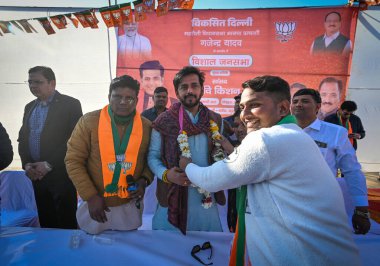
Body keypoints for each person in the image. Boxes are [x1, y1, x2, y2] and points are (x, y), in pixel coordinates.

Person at [179, 76, 360, 265]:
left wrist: (187, 166)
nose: (245, 114)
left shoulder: (268, 139)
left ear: (282, 108)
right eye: (242, 107)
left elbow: (210, 180)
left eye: (254, 105)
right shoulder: (294, 135)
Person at [65, 75, 153, 235]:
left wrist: (143, 180)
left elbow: (151, 160)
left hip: (129, 205)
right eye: (117, 96)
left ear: (137, 99)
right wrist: (90, 196)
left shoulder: (147, 126)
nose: (123, 102)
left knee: (126, 255)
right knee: (93, 254)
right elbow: (73, 160)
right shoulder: (89, 122)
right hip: (96, 205)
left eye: (129, 98)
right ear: (109, 97)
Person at [148, 66, 226, 234]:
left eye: (194, 85)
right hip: (172, 192)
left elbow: (220, 154)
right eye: (184, 87)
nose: (189, 91)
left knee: (207, 246)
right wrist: (167, 174)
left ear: (202, 89)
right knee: (169, 250)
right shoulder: (164, 121)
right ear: (176, 92)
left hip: (205, 196)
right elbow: (153, 157)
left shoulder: (215, 119)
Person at [292, 88, 370, 235]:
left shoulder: (335, 133)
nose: (298, 104)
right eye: (295, 101)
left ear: (317, 106)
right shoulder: (279, 131)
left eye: (305, 101)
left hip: (321, 206)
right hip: (284, 204)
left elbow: (352, 170)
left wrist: (361, 209)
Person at [18, 66, 82, 229]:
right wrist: (27, 164)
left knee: (65, 222)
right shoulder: (29, 107)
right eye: (30, 82)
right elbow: (23, 139)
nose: (33, 86)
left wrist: (48, 164)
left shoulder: (70, 104)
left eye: (38, 82)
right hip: (37, 175)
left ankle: (67, 254)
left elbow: (74, 140)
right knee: (46, 220)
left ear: (52, 83)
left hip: (61, 174)